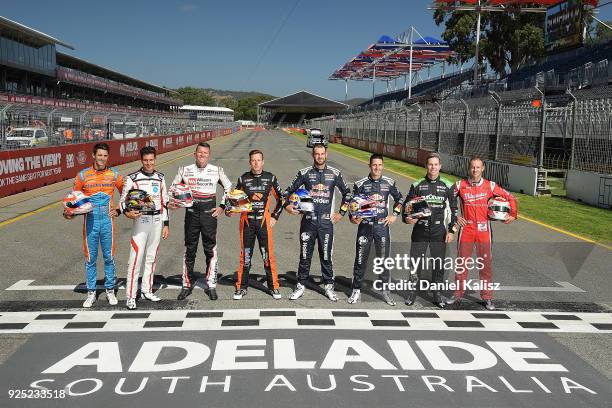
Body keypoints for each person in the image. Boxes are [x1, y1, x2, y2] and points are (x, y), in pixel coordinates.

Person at [447, 155, 517, 310]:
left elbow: (510, 197)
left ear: (483, 168)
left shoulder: (490, 186)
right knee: (462, 264)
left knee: (485, 265)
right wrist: (455, 216)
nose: (475, 170)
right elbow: (447, 201)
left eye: (478, 167)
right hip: (467, 229)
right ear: (469, 168)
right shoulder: (459, 185)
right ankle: (457, 294)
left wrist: (513, 214)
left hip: (484, 230)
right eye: (472, 167)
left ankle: (487, 297)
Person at [284, 143, 351, 301]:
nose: (320, 156)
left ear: (326, 155)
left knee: (326, 256)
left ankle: (329, 286)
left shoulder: (335, 173)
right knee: (305, 256)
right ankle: (300, 285)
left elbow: (347, 194)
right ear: (313, 155)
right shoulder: (305, 173)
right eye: (317, 154)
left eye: (322, 154)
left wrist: (341, 213)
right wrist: (287, 206)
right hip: (308, 222)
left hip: (326, 223)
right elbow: (287, 191)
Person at [169, 142, 232, 301]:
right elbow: (172, 189)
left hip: (209, 215)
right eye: (200, 152)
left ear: (208, 155)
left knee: (210, 250)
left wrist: (222, 206)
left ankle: (211, 284)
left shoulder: (216, 170)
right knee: (190, 250)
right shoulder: (184, 170)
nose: (202, 155)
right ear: (195, 153)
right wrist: (175, 202)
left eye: (205, 153)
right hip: (191, 214)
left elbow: (229, 187)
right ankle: (186, 284)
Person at [64, 142, 124, 308]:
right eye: (99, 155)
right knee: (90, 258)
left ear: (107, 157)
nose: (102, 159)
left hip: (107, 221)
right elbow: (73, 198)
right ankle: (91, 292)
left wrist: (118, 209)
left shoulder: (114, 175)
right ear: (93, 155)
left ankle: (110, 289)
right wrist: (69, 212)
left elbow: (127, 192)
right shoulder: (82, 176)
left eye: (105, 156)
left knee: (109, 257)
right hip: (90, 221)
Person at [402, 152, 457, 308]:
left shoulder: (448, 185)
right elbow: (407, 207)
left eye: (436, 164)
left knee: (438, 264)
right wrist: (407, 218)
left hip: (439, 231)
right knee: (415, 263)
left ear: (440, 166)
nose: (433, 167)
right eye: (430, 164)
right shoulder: (417, 184)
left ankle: (437, 294)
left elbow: (454, 210)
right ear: (426, 166)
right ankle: (412, 292)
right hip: (420, 230)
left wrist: (452, 230)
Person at [349, 154, 403, 305]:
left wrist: (394, 215)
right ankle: (356, 290)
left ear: (383, 166)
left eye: (379, 165)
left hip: (382, 227)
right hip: (365, 227)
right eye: (374, 165)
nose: (377, 168)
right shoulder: (360, 184)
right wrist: (354, 218)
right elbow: (353, 206)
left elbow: (400, 199)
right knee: (360, 260)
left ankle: (386, 292)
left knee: (384, 261)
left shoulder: (389, 183)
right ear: (369, 166)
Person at [121, 146, 170, 310]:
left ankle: (147, 290)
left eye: (151, 160)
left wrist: (166, 224)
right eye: (146, 160)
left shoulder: (161, 177)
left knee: (151, 258)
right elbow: (123, 201)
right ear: (141, 160)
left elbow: (165, 202)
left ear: (155, 159)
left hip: (156, 220)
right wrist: (127, 212)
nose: (149, 163)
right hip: (141, 222)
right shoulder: (132, 178)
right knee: (135, 259)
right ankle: (130, 295)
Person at [233, 149, 283, 300]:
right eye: (253, 160)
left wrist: (275, 216)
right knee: (246, 256)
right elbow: (235, 201)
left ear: (263, 161)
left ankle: (273, 287)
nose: (256, 163)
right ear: (250, 162)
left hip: (263, 223)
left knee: (268, 256)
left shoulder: (271, 178)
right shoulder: (243, 179)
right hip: (247, 222)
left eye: (258, 160)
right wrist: (231, 209)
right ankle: (241, 287)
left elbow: (282, 198)